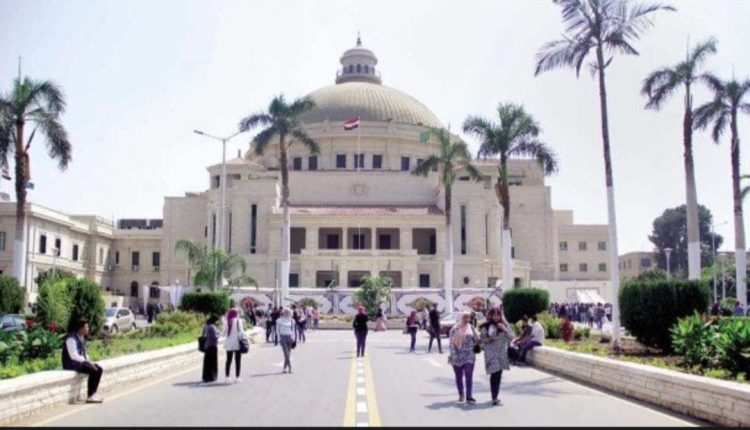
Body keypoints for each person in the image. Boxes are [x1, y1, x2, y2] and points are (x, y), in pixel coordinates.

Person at [62, 319, 104, 403]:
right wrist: (86, 361)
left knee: (99, 369)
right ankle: (90, 396)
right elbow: (73, 355)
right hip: (71, 364)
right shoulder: (71, 338)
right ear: (80, 328)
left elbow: (83, 352)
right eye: (86, 327)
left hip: (79, 362)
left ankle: (93, 393)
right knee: (93, 370)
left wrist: (89, 360)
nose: (88, 328)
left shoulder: (81, 337)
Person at [479, 307, 513, 406]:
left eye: (498, 315)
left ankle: (495, 396)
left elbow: (511, 337)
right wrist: (489, 339)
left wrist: (504, 329)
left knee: (498, 375)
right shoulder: (486, 326)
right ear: (491, 315)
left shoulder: (504, 325)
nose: (496, 317)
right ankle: (494, 397)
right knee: (494, 373)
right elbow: (481, 339)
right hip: (491, 354)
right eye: (494, 315)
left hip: (501, 354)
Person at [448, 311, 478, 404]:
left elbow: (477, 338)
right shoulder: (454, 329)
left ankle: (469, 396)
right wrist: (454, 354)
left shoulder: (471, 327)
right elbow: (451, 343)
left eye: (468, 317)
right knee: (459, 376)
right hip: (457, 355)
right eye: (465, 317)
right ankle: (461, 394)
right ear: (461, 317)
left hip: (470, 355)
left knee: (469, 374)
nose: (467, 319)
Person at [221, 308, 244, 383]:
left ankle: (227, 377)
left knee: (228, 360)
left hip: (229, 344)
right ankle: (237, 377)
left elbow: (223, 334)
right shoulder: (238, 321)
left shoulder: (227, 322)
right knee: (238, 361)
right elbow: (241, 332)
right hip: (237, 343)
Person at [201, 315, 220, 383]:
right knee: (213, 362)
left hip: (207, 345)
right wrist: (220, 334)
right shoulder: (212, 327)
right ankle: (212, 377)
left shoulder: (206, 326)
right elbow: (215, 336)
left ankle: (206, 377)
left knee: (207, 363)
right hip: (212, 345)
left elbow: (203, 334)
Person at [277, 307, 295, 373]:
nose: (286, 313)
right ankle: (290, 367)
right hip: (283, 337)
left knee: (288, 354)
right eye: (285, 312)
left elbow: (293, 330)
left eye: (288, 312)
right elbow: (277, 330)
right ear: (283, 312)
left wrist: (293, 337)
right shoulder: (279, 320)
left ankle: (284, 368)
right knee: (286, 354)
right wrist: (279, 338)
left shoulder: (292, 320)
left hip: (289, 337)